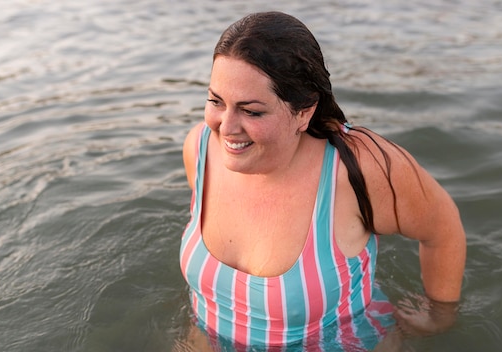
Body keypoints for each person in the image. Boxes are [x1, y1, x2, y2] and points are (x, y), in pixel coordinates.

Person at [179, 11, 466, 351]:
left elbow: (442, 228)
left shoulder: (358, 167)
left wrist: (439, 314)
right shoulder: (200, 149)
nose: (226, 127)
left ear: (304, 112)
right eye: (216, 101)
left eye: (252, 111)